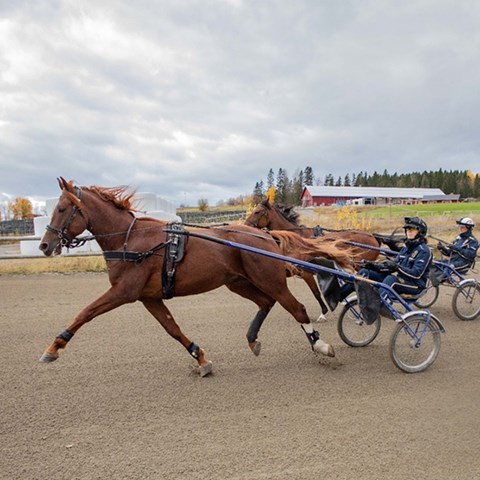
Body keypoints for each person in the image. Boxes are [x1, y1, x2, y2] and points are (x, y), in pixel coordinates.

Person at [339, 216, 432, 300]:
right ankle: (337, 296)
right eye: (407, 229)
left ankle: (376, 305)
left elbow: (416, 274)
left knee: (391, 279)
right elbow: (393, 265)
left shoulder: (424, 251)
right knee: (364, 272)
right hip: (401, 279)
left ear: (420, 232)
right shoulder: (406, 247)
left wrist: (397, 267)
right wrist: (373, 265)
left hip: (415, 285)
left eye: (412, 230)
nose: (409, 232)